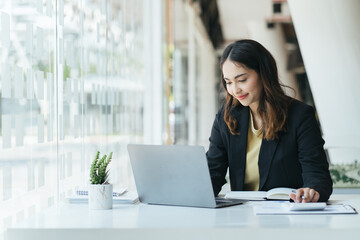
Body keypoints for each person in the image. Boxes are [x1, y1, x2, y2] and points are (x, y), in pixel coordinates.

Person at [206, 39, 333, 203]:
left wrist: (312, 191)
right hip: (241, 215)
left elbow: (317, 175)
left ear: (263, 74)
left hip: (286, 214)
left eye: (242, 80)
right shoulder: (226, 117)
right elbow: (213, 172)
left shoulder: (300, 116)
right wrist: (193, 190)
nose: (235, 90)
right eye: (228, 82)